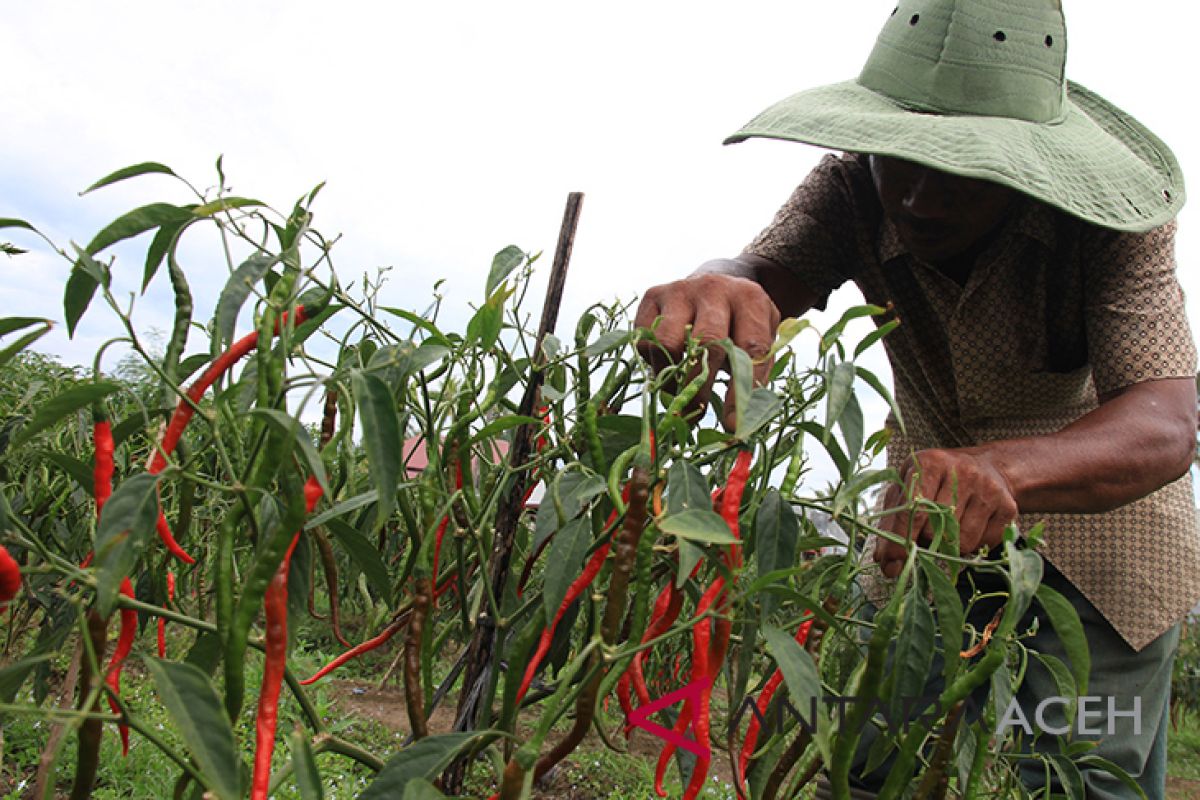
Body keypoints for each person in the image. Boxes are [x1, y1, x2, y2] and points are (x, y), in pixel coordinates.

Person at [633, 0, 1200, 796]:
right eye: (901, 157)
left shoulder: (1112, 221)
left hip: (1107, 547)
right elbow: (762, 275)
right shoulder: (850, 190)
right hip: (923, 534)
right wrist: (717, 287)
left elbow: (1167, 421)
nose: (920, 198)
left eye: (963, 166)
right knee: (867, 765)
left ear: (1028, 158)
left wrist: (998, 467)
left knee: (1074, 777)